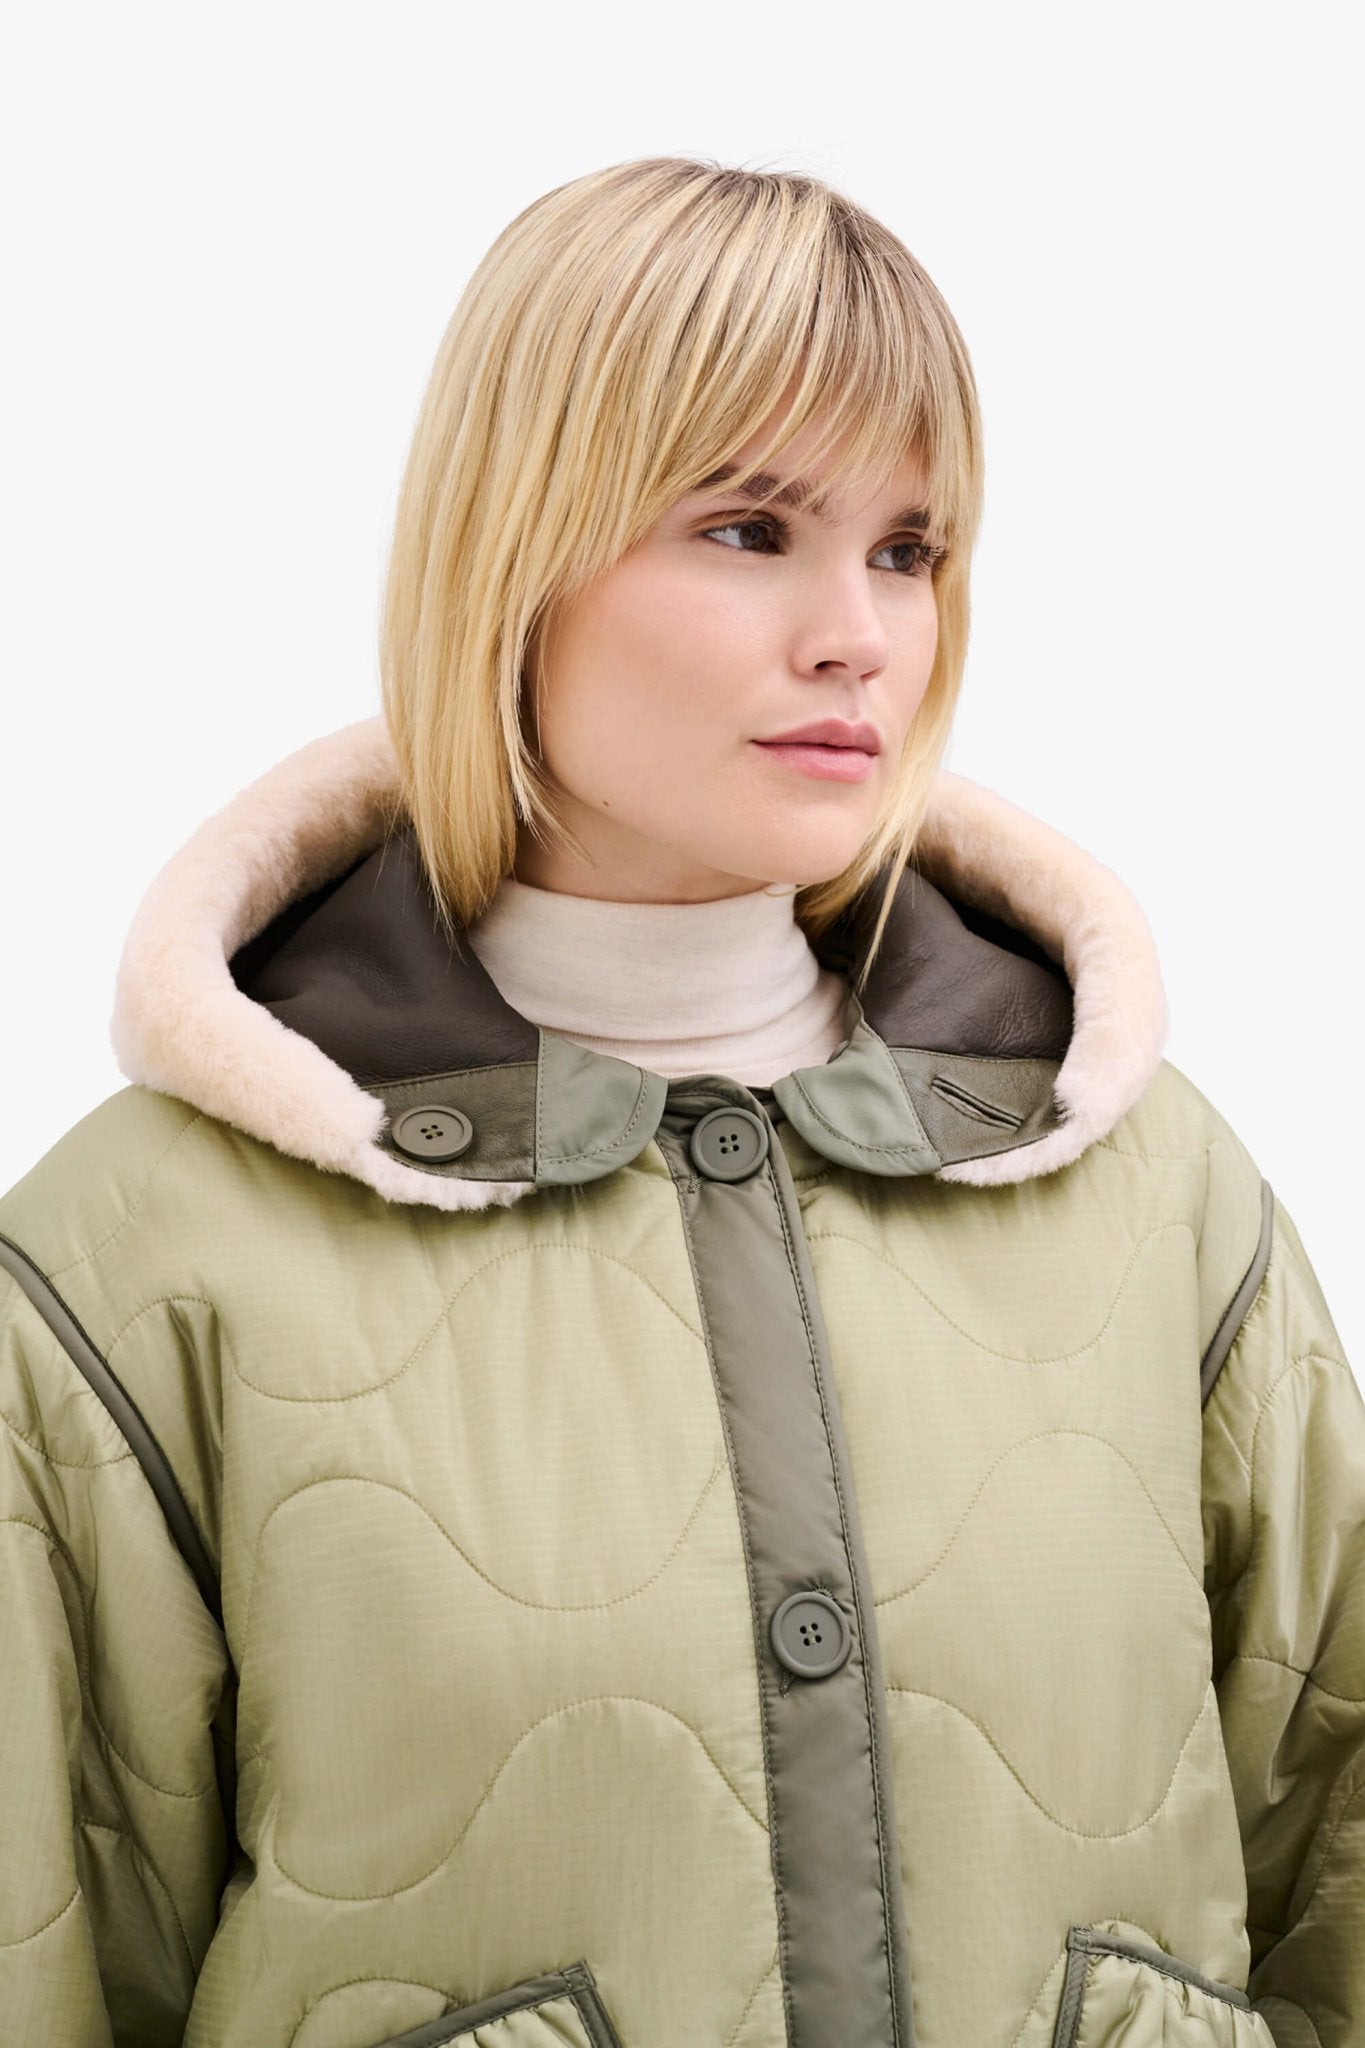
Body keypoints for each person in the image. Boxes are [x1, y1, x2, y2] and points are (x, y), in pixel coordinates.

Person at [0, 156, 1359, 2048]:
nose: (856, 634)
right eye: (747, 527)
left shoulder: (1139, 1184)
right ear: (512, 552)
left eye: (908, 548)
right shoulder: (142, 1253)